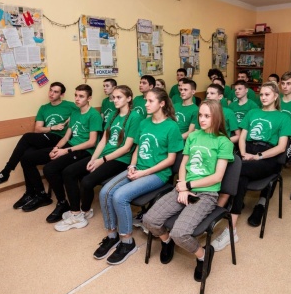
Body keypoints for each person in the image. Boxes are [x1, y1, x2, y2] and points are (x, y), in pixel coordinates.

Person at [143, 100, 234, 281]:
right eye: (200, 115)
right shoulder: (193, 136)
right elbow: (184, 164)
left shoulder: (224, 142)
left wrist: (188, 186)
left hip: (206, 193)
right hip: (183, 187)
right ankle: (166, 241)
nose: (202, 119)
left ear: (217, 117)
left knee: (180, 233)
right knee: (149, 220)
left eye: (207, 116)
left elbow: (217, 177)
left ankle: (203, 255)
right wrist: (183, 185)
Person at [93, 88, 183, 265]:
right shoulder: (144, 123)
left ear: (162, 103)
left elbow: (171, 160)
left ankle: (127, 242)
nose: (146, 104)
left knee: (119, 196)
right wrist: (132, 166)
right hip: (138, 168)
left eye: (150, 101)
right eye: (146, 100)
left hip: (157, 174)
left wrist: (144, 173)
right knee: (105, 192)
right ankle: (111, 236)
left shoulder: (172, 126)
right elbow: (138, 148)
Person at [211, 82, 291, 250]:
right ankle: (231, 230)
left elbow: (281, 147)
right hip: (247, 151)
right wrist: (243, 154)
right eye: (261, 94)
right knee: (240, 177)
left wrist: (257, 157)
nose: (263, 97)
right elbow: (242, 137)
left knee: (233, 170)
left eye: (267, 94)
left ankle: (217, 209)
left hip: (268, 156)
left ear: (275, 96)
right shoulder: (253, 112)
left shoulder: (283, 117)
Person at [54, 85, 141, 232]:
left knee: (87, 181)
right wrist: (93, 159)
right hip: (103, 155)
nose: (115, 100)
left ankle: (83, 212)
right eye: (113, 97)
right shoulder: (113, 114)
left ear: (129, 98)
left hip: (120, 159)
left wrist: (102, 160)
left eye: (119, 97)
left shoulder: (135, 117)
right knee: (68, 172)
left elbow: (126, 148)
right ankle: (76, 212)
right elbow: (103, 141)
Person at [0, 81, 77, 189]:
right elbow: (38, 129)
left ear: (61, 95)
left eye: (55, 92)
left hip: (59, 139)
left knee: (27, 137)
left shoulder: (70, 106)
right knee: (26, 156)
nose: (51, 93)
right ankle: (35, 193)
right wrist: (52, 128)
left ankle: (6, 171)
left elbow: (84, 112)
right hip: (46, 137)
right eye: (50, 90)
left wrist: (72, 119)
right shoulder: (44, 108)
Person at [41, 85, 102, 222]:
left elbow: (92, 142)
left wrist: (66, 150)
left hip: (86, 151)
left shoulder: (94, 115)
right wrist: (56, 148)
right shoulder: (75, 113)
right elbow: (66, 137)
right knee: (48, 168)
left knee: (66, 172)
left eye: (81, 96)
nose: (77, 99)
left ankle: (74, 210)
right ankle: (63, 202)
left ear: (89, 98)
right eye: (76, 95)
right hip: (72, 147)